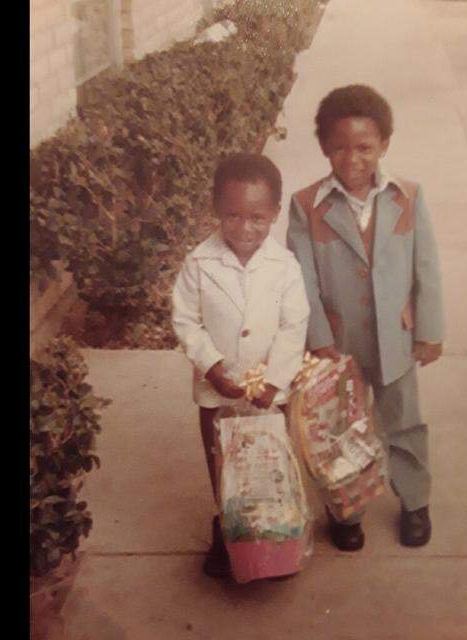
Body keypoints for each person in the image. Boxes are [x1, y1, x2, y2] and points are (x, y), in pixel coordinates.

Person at [286, 84, 445, 550]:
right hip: (338, 345)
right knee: (340, 431)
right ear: (323, 148)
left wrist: (430, 330)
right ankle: (346, 508)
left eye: (365, 147)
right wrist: (318, 340)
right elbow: (304, 280)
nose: (352, 157)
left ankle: (415, 502)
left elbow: (427, 268)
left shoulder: (407, 197)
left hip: (396, 338)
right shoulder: (306, 206)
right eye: (339, 146)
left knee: (404, 422)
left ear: (384, 146)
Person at [171, 153, 310, 577]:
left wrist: (274, 381)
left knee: (267, 467)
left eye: (257, 218)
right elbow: (186, 320)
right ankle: (229, 533)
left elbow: (294, 324)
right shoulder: (199, 263)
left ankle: (273, 541)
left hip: (269, 393)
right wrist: (213, 368)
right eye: (232, 215)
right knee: (223, 466)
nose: (245, 228)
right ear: (216, 208)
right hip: (218, 393)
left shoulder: (284, 266)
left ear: (274, 213)